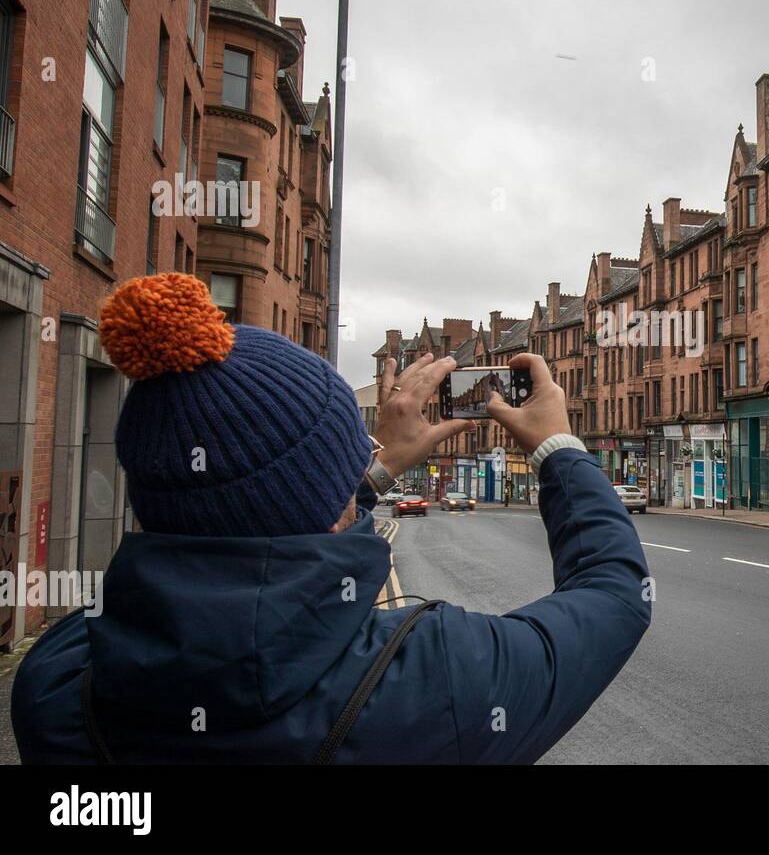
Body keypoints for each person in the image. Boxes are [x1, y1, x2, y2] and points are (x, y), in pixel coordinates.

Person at [10, 273, 651, 764]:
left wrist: (369, 475)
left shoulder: (57, 686)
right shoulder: (437, 680)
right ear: (325, 498)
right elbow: (616, 593)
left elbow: (248, 522)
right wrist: (557, 448)